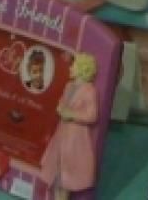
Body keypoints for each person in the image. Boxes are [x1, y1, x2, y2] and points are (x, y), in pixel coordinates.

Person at [40, 52, 99, 200]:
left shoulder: (89, 90)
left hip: (75, 138)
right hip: (62, 134)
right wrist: (61, 108)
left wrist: (71, 114)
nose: (70, 68)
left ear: (82, 68)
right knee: (56, 173)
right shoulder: (69, 86)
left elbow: (92, 115)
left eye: (73, 65)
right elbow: (62, 102)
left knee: (67, 175)